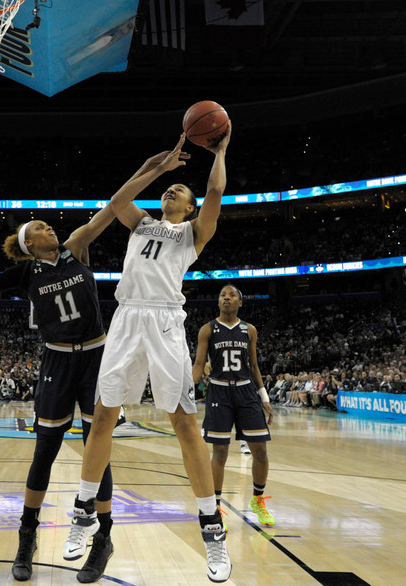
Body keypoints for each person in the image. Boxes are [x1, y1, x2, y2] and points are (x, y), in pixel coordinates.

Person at [0, 171, 152, 582]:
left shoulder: (76, 247)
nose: (50, 227)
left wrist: (152, 169)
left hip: (97, 358)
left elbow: (110, 209)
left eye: (49, 224)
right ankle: (26, 536)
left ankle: (103, 538)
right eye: (41, 227)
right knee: (44, 451)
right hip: (57, 362)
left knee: (95, 447)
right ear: (29, 243)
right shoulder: (26, 273)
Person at [64, 130, 233, 583]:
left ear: (190, 207)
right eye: (169, 188)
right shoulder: (141, 222)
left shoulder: (192, 234)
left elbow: (215, 191)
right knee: (102, 418)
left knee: (183, 424)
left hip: (162, 323)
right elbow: (118, 201)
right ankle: (83, 511)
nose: (172, 190)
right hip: (125, 319)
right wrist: (156, 168)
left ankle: (211, 528)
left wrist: (219, 151)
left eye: (181, 190)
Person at [193, 284, 275, 530]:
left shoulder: (249, 329)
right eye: (222, 295)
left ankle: (257, 500)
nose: (226, 298)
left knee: (260, 450)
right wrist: (188, 388)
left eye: (232, 296)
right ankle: (215, 507)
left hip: (246, 390)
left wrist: (264, 396)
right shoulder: (208, 329)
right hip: (219, 390)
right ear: (218, 302)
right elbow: (198, 363)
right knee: (220, 453)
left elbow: (253, 365)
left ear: (240, 302)